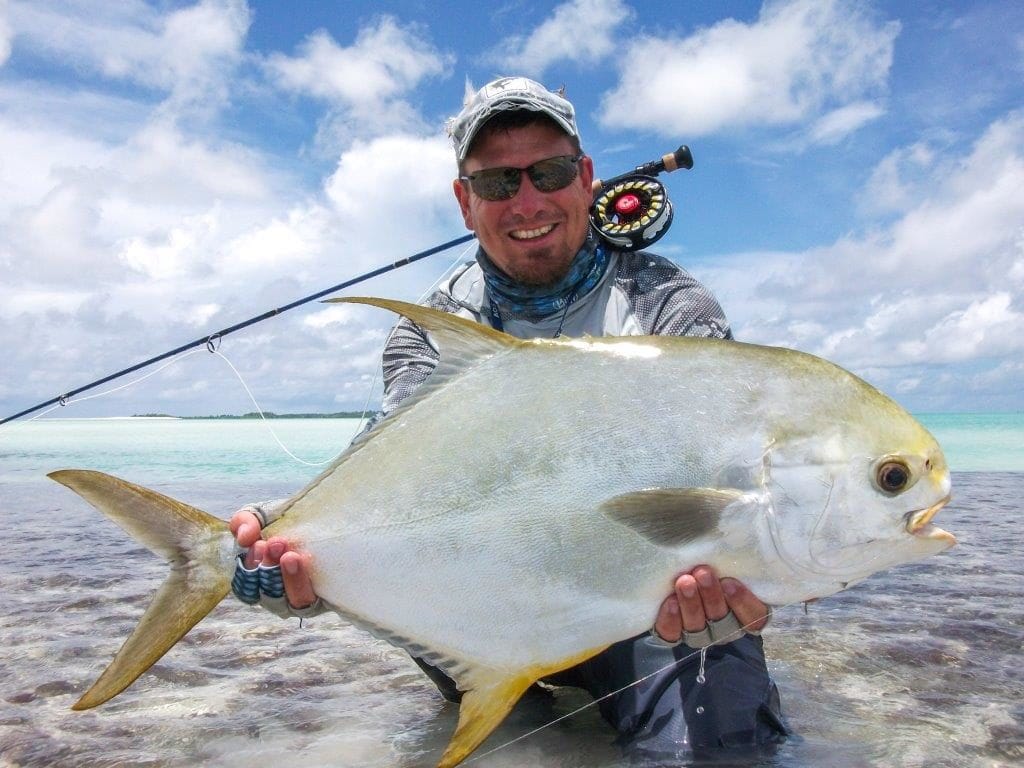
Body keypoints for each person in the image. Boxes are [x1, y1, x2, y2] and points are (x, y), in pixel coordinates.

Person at [230, 76, 788, 760]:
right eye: (496, 183)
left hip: (651, 612)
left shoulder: (668, 309)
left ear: (586, 179)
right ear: (465, 203)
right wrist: (288, 538)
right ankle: (504, 693)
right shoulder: (432, 331)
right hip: (483, 599)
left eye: (548, 172)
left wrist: (746, 581)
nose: (527, 201)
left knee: (722, 739)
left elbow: (725, 486)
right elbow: (387, 470)